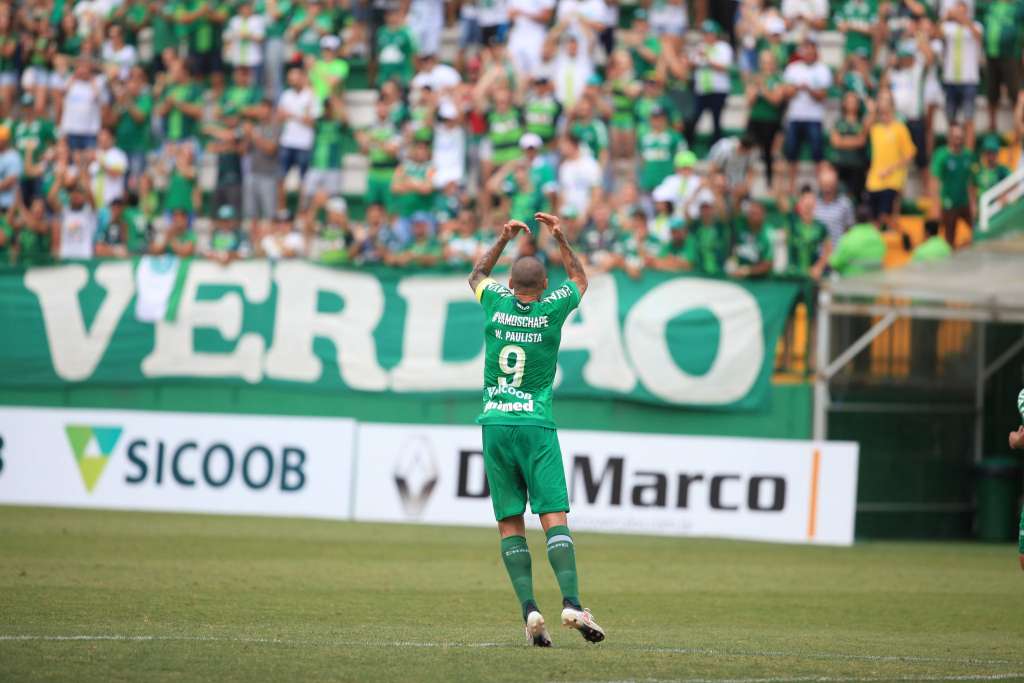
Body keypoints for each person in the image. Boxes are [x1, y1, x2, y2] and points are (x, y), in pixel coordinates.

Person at [467, 211, 605, 648]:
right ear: (544, 287)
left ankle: (530, 612)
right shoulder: (551, 310)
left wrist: (504, 238)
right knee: (553, 518)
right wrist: (562, 238)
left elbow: (477, 274)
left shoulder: (495, 302)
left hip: (494, 424)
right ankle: (571, 601)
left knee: (510, 522)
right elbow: (581, 279)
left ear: (511, 287)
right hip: (535, 424)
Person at [782, 39, 832, 196]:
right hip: (795, 116)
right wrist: (797, 88)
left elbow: (823, 95)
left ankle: (821, 186)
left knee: (818, 154)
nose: (808, 53)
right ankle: (791, 186)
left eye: (811, 50)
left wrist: (809, 89)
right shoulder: (792, 68)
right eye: (806, 50)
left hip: (814, 117)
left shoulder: (823, 70)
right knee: (791, 153)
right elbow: (786, 92)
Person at [865, 92, 915, 233]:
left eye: (885, 100)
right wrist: (872, 111)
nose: (882, 103)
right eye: (880, 99)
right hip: (875, 179)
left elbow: (909, 154)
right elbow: (864, 130)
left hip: (892, 179)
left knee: (885, 217)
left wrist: (891, 169)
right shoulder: (876, 127)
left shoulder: (900, 128)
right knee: (873, 219)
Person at [940, 1, 982, 148]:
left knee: (969, 119)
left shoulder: (975, 25)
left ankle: (968, 154)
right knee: (951, 119)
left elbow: (978, 36)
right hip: (950, 79)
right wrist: (946, 17)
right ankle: (951, 150)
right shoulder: (948, 27)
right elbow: (935, 33)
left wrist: (963, 19)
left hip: (969, 79)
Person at [931, 122, 973, 246]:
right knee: (950, 236)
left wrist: (973, 203)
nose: (958, 141)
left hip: (964, 201)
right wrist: (936, 204)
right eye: (955, 137)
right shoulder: (941, 155)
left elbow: (970, 181)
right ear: (949, 137)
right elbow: (935, 181)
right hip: (948, 202)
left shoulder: (967, 155)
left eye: (960, 137)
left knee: (977, 230)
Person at [828, 206, 887, 277]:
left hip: (852, 283)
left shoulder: (849, 237)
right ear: (870, 219)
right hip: (874, 282)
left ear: (855, 219)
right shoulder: (879, 237)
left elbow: (835, 263)